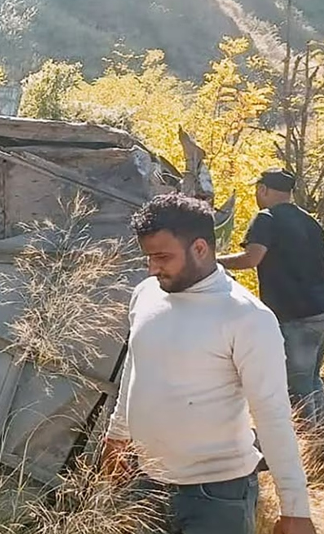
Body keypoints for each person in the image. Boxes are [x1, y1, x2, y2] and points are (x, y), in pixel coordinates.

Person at [103, 193, 314, 534]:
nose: (152, 267)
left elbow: (273, 415)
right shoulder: (146, 294)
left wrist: (295, 510)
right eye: (148, 257)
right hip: (145, 484)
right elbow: (136, 366)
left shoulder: (247, 317)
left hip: (218, 496)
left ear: (200, 248)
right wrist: (117, 436)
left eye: (162, 257)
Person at [219, 168, 324, 423]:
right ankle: (319, 439)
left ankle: (310, 451)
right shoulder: (310, 222)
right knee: (312, 381)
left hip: (294, 316)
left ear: (263, 189)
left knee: (296, 386)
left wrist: (212, 263)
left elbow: (251, 258)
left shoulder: (266, 218)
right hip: (320, 313)